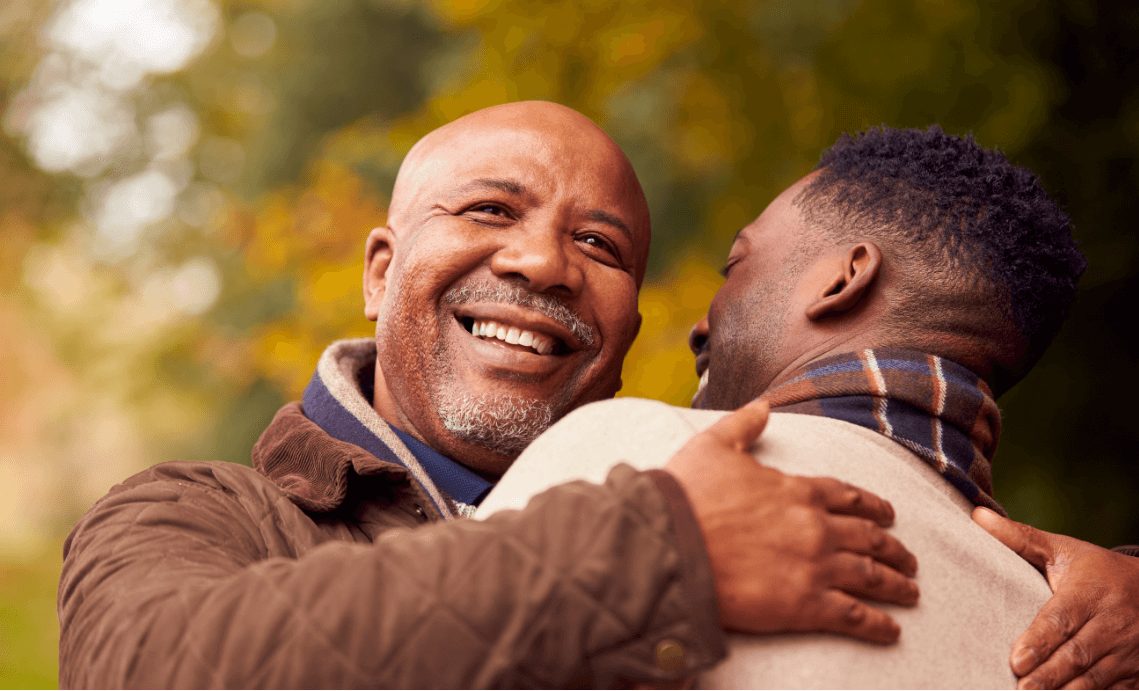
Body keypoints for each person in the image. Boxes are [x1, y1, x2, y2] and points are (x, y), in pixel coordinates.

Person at [57, 102, 923, 688]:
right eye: (488, 210)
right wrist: (655, 550)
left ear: (625, 333)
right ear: (381, 272)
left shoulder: (744, 501)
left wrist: (1040, 591)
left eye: (597, 242)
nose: (544, 262)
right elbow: (151, 664)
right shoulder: (187, 510)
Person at [477, 125, 1139, 688]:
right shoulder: (1089, 630)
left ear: (842, 280)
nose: (700, 327)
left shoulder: (635, 457)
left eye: (735, 267)